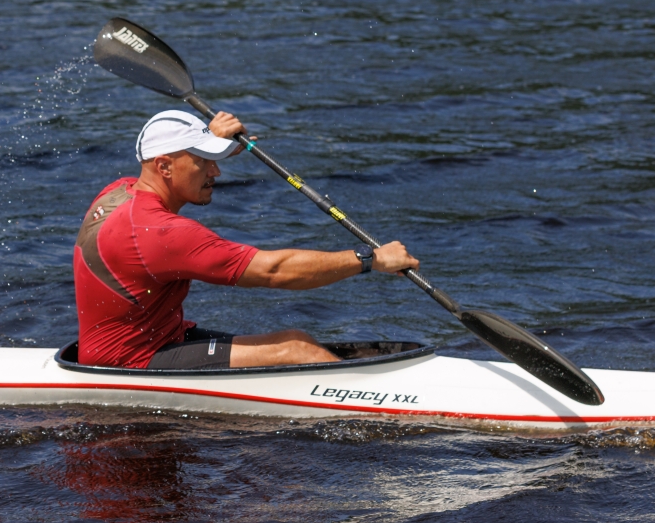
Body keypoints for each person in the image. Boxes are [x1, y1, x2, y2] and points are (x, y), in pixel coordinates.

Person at [74, 109, 420, 370]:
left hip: (153, 337)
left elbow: (175, 161)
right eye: (204, 162)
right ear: (164, 167)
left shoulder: (118, 193)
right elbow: (275, 271)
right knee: (296, 351)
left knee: (300, 338)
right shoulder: (163, 233)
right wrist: (369, 258)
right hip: (129, 361)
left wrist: (211, 137)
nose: (216, 172)